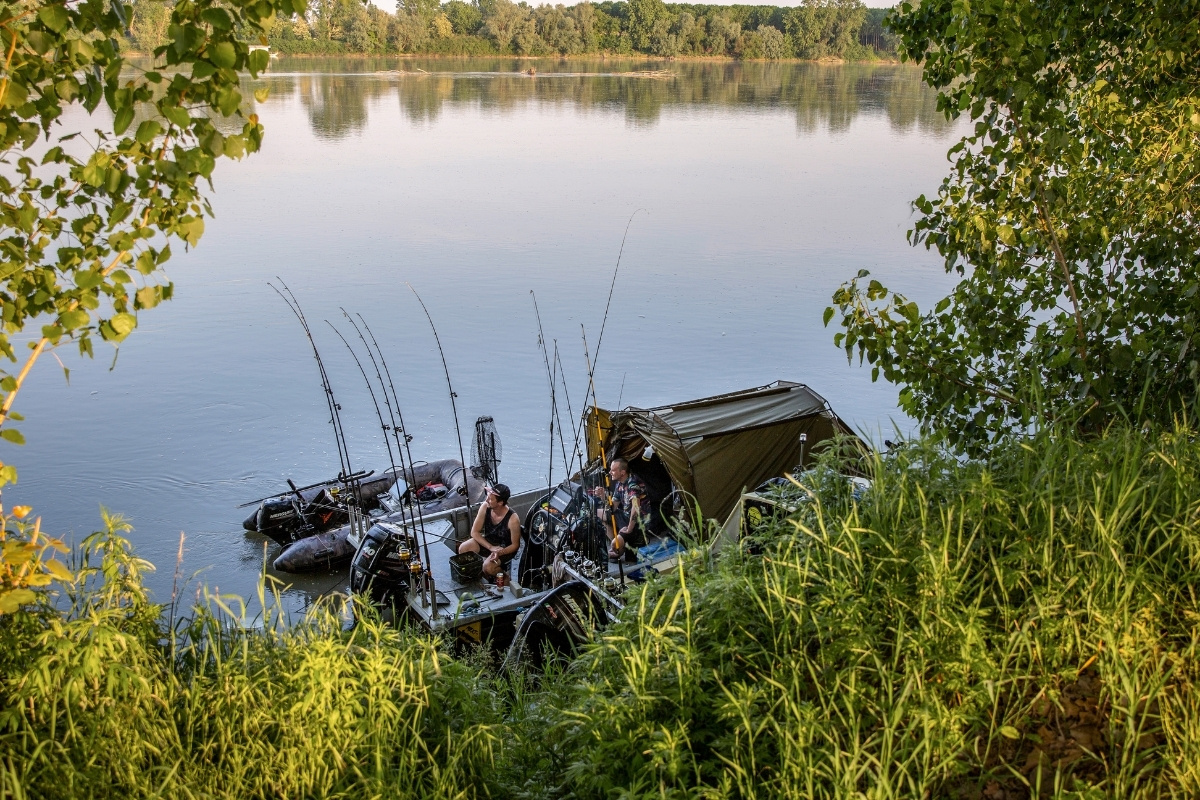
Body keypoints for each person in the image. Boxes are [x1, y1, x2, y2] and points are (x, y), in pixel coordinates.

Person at [459, 483, 521, 579]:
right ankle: (476, 576)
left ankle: (506, 579)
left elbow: (515, 545)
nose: (486, 500)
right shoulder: (485, 507)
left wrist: (499, 552)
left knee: (488, 567)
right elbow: (474, 532)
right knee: (464, 548)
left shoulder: (513, 519)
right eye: (487, 497)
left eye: (490, 499)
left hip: (504, 549)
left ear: (500, 503)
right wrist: (490, 547)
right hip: (489, 542)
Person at [605, 458, 649, 562]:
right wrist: (603, 497)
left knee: (614, 545)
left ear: (622, 472)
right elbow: (613, 507)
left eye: (613, 470)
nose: (610, 472)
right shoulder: (619, 483)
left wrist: (629, 529)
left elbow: (636, 507)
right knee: (600, 513)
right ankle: (618, 547)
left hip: (637, 523)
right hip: (625, 516)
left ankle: (618, 548)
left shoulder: (632, 483)